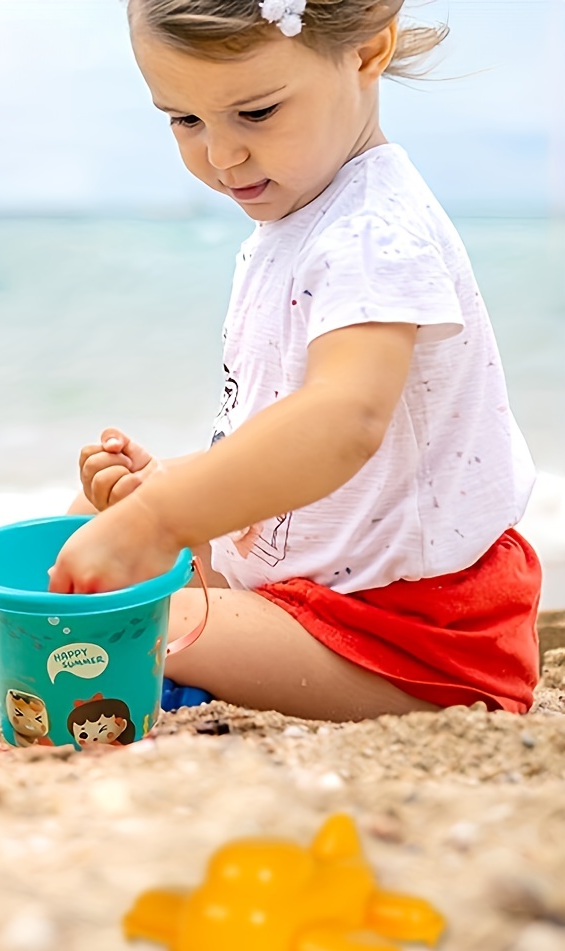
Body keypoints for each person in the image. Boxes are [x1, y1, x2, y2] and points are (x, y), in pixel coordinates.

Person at [49, 0, 541, 721]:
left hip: (411, 636)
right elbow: (300, 443)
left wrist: (161, 518)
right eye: (184, 119)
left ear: (368, 54)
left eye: (256, 113)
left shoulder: (372, 231)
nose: (220, 155)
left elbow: (344, 421)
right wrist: (171, 486)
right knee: (76, 535)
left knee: (122, 625)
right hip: (312, 583)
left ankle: (190, 677)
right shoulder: (304, 214)